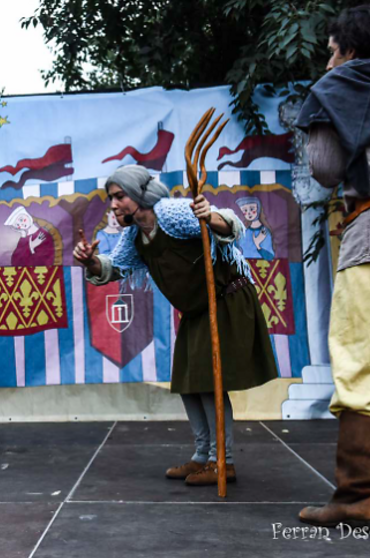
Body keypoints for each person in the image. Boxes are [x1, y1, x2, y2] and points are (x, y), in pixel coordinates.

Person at [74, 165, 278, 486]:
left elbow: (230, 224)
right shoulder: (135, 235)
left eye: (119, 196)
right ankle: (202, 455)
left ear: (139, 194)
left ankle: (222, 461)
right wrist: (90, 261)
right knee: (188, 380)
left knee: (209, 381)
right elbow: (114, 267)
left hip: (226, 299)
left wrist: (209, 216)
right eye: (111, 198)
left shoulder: (169, 213)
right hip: (198, 310)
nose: (113, 205)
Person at [295, 5, 370, 527]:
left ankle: (357, 496)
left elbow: (324, 169)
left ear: (350, 49)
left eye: (331, 52)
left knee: (358, 361)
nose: (328, 63)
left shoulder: (343, 83)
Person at [235, 196, 275, 260]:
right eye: (245, 210)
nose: (249, 213)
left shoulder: (264, 232)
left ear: (258, 209)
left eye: (252, 209)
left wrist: (257, 245)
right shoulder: (244, 232)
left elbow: (270, 257)